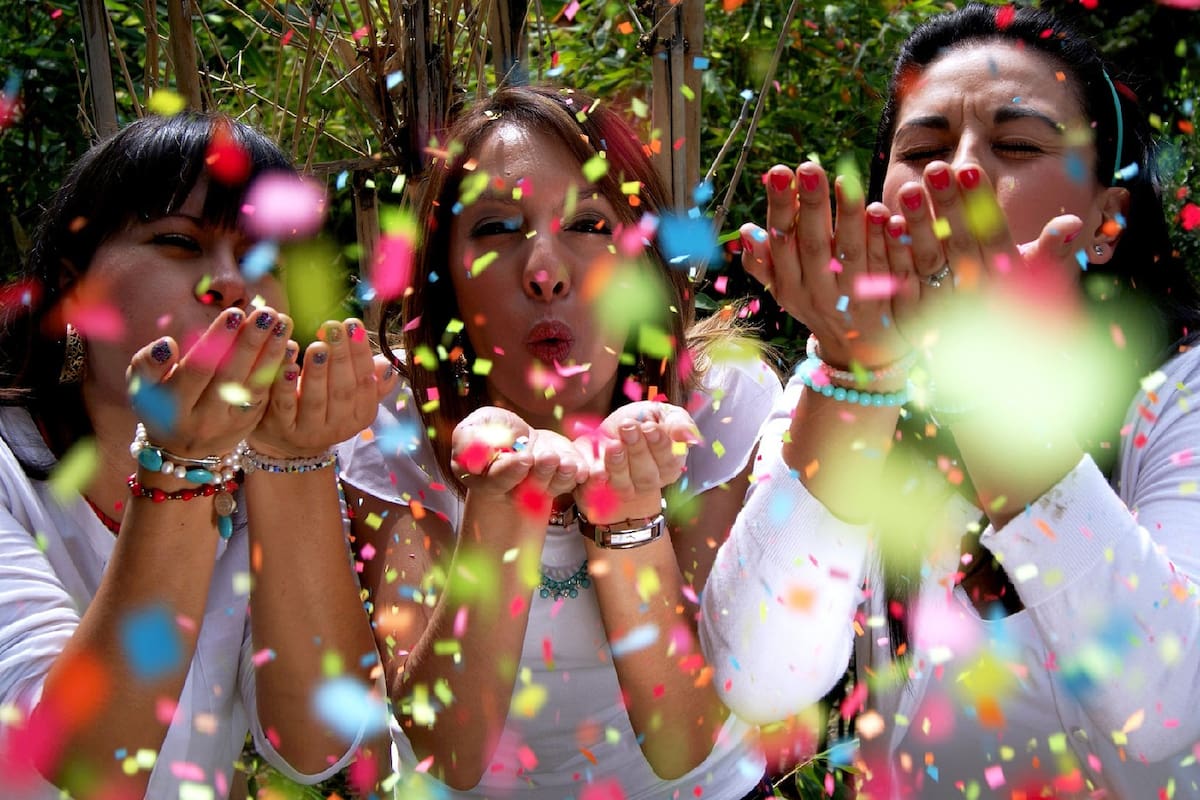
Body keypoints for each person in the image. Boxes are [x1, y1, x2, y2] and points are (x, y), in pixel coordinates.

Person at [703, 4, 1200, 798]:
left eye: (1017, 145)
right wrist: (857, 381)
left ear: (1107, 219)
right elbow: (758, 679)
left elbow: (1169, 703)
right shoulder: (834, 388)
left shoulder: (1181, 388)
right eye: (923, 149)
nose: (955, 174)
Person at [336, 85, 782, 798]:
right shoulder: (393, 424)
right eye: (495, 230)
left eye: (589, 224)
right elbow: (444, 751)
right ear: (444, 277)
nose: (545, 271)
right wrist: (499, 513)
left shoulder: (719, 406)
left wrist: (627, 518)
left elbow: (684, 737)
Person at [0, 112, 394, 799]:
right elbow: (87, 762)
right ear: (73, 285)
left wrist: (293, 461)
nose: (228, 285)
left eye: (260, 258)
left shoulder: (258, 473)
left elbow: (317, 746)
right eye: (179, 242)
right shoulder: (9, 466)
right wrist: (182, 467)